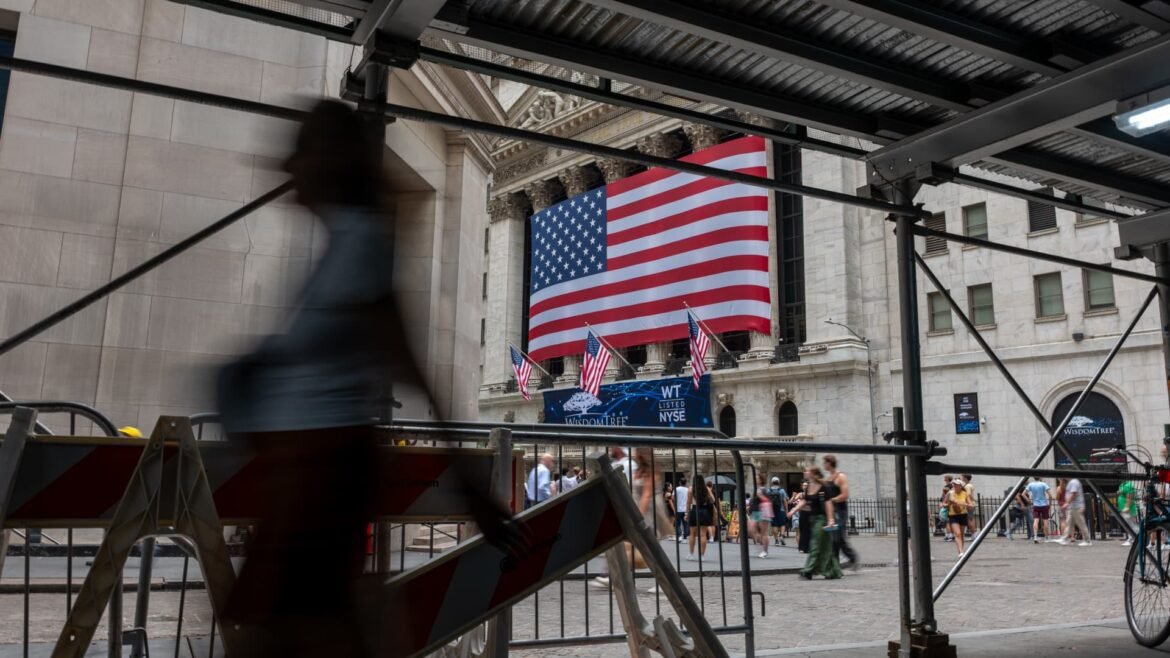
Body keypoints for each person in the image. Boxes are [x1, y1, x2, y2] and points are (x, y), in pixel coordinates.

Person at [216, 101, 521, 658]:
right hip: (308, 472)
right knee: (307, 629)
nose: (288, 167)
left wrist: (471, 486)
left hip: (322, 474)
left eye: (303, 152)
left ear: (330, 161)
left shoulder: (361, 245)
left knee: (292, 630)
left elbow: (410, 364)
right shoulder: (342, 247)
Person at [792, 467, 842, 580]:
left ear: (814, 474)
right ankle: (832, 571)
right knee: (825, 546)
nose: (805, 472)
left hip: (821, 519)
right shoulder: (808, 486)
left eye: (807, 471)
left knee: (815, 544)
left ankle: (808, 570)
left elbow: (828, 503)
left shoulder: (824, 487)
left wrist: (830, 520)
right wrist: (793, 510)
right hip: (812, 520)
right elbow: (804, 500)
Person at [824, 455, 859, 569]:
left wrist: (832, 500)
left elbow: (845, 495)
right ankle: (835, 564)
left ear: (830, 463)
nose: (824, 465)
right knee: (833, 539)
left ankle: (852, 557)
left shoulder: (841, 477)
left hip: (840, 510)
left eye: (825, 463)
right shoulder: (828, 479)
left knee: (839, 537)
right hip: (831, 511)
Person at [687, 474, 717, 561]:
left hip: (694, 510)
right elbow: (713, 500)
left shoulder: (690, 489)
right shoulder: (706, 489)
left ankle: (691, 554)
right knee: (703, 534)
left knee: (692, 534)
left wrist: (686, 513)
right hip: (704, 511)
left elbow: (688, 503)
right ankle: (702, 556)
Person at [943, 478, 974, 558]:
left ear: (960, 486)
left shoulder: (965, 493)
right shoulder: (950, 493)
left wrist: (967, 505)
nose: (955, 486)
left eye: (957, 485)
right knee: (957, 533)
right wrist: (949, 504)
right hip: (953, 515)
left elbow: (971, 505)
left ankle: (961, 551)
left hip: (963, 514)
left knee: (962, 534)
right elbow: (943, 503)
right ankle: (960, 551)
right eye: (954, 485)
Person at [1057, 476, 1091, 546]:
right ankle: (1064, 538)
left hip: (1076, 507)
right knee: (1069, 524)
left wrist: (1067, 503)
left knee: (1081, 524)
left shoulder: (1074, 482)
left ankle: (1087, 540)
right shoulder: (1072, 482)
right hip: (1073, 507)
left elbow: (1073, 494)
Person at [750, 476, 774, 558]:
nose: (755, 479)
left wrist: (760, 496)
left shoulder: (764, 489)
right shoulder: (757, 489)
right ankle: (761, 545)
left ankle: (765, 551)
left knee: (764, 532)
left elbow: (768, 500)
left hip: (763, 511)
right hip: (756, 511)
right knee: (751, 528)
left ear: (761, 480)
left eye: (757, 478)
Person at [1026, 477, 1052, 543]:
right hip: (1044, 505)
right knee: (1045, 522)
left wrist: (1029, 501)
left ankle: (1035, 537)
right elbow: (1050, 495)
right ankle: (1046, 538)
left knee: (1036, 521)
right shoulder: (1044, 484)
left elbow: (1023, 494)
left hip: (1036, 505)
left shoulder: (1031, 485)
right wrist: (1050, 504)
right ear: (1040, 477)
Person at [767, 476, 789, 546]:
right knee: (782, 524)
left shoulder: (768, 491)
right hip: (781, 510)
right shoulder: (781, 490)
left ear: (772, 482)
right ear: (778, 482)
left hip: (772, 511)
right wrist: (786, 511)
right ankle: (782, 536)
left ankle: (776, 540)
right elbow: (785, 501)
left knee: (774, 525)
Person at [1118, 476, 1138, 547]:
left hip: (1129, 509)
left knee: (1132, 525)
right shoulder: (1122, 484)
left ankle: (1132, 539)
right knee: (1129, 524)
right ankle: (1132, 538)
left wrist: (1127, 507)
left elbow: (1130, 496)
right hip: (1123, 508)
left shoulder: (1128, 485)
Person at [792, 481, 810, 553]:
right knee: (802, 530)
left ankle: (808, 547)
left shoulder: (811, 494)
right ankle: (801, 547)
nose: (805, 487)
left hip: (809, 513)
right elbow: (793, 501)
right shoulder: (800, 494)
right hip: (802, 513)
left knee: (809, 530)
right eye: (804, 485)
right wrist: (794, 497)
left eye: (806, 485)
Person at [674, 478, 690, 543]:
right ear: (686, 483)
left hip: (678, 509)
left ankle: (680, 536)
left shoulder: (676, 489)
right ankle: (685, 538)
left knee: (677, 524)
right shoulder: (688, 490)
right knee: (685, 524)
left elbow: (673, 498)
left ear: (680, 482)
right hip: (686, 509)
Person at [940, 475, 954, 542]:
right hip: (949, 505)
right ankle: (949, 534)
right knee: (949, 521)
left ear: (947, 479)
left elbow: (943, 496)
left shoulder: (948, 487)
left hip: (946, 505)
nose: (944, 479)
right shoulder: (951, 486)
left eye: (945, 478)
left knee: (947, 522)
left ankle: (949, 535)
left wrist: (942, 503)